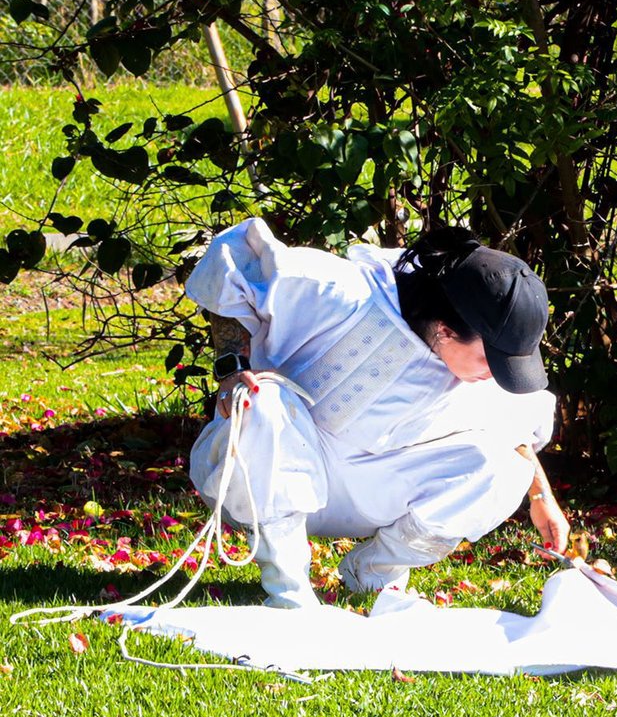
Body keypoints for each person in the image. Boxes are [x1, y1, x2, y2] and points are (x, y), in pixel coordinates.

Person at [184, 217, 570, 608]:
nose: (493, 375)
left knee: (504, 469)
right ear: (445, 328)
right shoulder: (339, 291)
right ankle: (289, 592)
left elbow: (515, 427)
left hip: (370, 486)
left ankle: (372, 574)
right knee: (264, 400)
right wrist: (232, 371)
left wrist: (543, 498)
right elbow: (232, 266)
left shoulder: (474, 370)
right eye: (490, 361)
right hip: (264, 470)